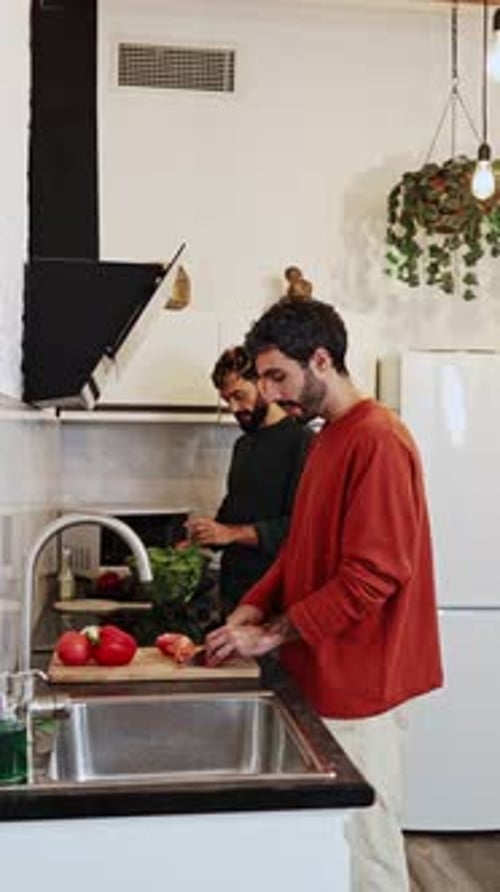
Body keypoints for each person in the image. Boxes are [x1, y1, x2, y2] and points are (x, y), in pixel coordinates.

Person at [205, 299, 443, 892]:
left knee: (367, 854)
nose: (271, 392)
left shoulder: (379, 440)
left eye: (278, 376)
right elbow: (300, 550)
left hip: (361, 680)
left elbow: (371, 577)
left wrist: (269, 634)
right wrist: (254, 603)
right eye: (262, 379)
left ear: (321, 359)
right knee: (328, 850)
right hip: (323, 671)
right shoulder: (328, 439)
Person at [187, 345, 313, 616]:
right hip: (234, 593)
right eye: (226, 400)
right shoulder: (243, 445)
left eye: (239, 396)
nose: (234, 408)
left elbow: (301, 527)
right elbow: (234, 512)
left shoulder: (302, 442)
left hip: (274, 599)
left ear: (264, 385)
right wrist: (204, 536)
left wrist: (229, 533)